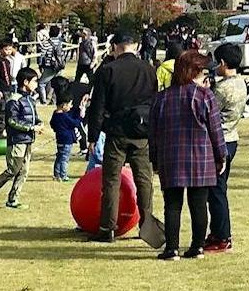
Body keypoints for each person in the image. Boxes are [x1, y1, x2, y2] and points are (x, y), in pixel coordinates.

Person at [149, 50, 225, 261]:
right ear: (195, 72)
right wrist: (221, 156)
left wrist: (154, 159)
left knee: (172, 205)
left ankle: (171, 249)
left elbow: (153, 133)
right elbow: (215, 130)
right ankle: (197, 246)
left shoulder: (162, 98)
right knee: (198, 204)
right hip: (201, 157)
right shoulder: (204, 96)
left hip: (170, 157)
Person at [87, 26, 158, 244]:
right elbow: (154, 101)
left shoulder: (107, 70)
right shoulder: (148, 69)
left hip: (116, 131)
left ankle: (107, 227)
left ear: (114, 47)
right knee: (144, 180)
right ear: (136, 46)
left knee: (111, 180)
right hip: (143, 131)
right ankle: (147, 226)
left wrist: (92, 136)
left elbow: (97, 106)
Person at [0, 65, 40, 211]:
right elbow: (12, 121)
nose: (36, 84)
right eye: (34, 81)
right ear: (25, 82)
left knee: (23, 172)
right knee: (12, 170)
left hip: (28, 142)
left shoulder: (31, 100)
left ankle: (13, 199)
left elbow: (34, 118)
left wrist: (39, 123)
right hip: (17, 142)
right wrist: (31, 128)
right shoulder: (14, 100)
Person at [207, 43, 247, 253]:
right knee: (219, 189)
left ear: (222, 63)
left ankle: (223, 236)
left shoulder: (222, 89)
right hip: (232, 137)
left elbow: (208, 111)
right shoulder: (241, 83)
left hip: (218, 141)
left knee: (216, 191)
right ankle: (217, 231)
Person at [50, 93, 86, 182]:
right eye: (70, 104)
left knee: (59, 157)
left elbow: (52, 124)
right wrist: (81, 116)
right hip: (67, 141)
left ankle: (56, 174)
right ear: (64, 105)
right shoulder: (64, 116)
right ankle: (63, 175)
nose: (71, 106)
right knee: (64, 159)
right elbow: (75, 123)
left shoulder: (55, 114)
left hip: (59, 139)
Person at [0, 38, 19, 141]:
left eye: (10, 49)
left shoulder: (8, 61)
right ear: (0, 49)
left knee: (8, 112)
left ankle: (6, 131)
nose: (8, 51)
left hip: (8, 89)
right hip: (0, 91)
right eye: (6, 49)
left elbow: (8, 77)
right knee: (1, 112)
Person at [37, 27, 65, 105]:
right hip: (59, 66)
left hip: (50, 65)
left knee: (41, 83)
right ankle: (55, 100)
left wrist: (40, 64)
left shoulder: (47, 42)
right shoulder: (60, 42)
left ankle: (43, 101)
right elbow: (62, 54)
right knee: (57, 83)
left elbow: (42, 54)